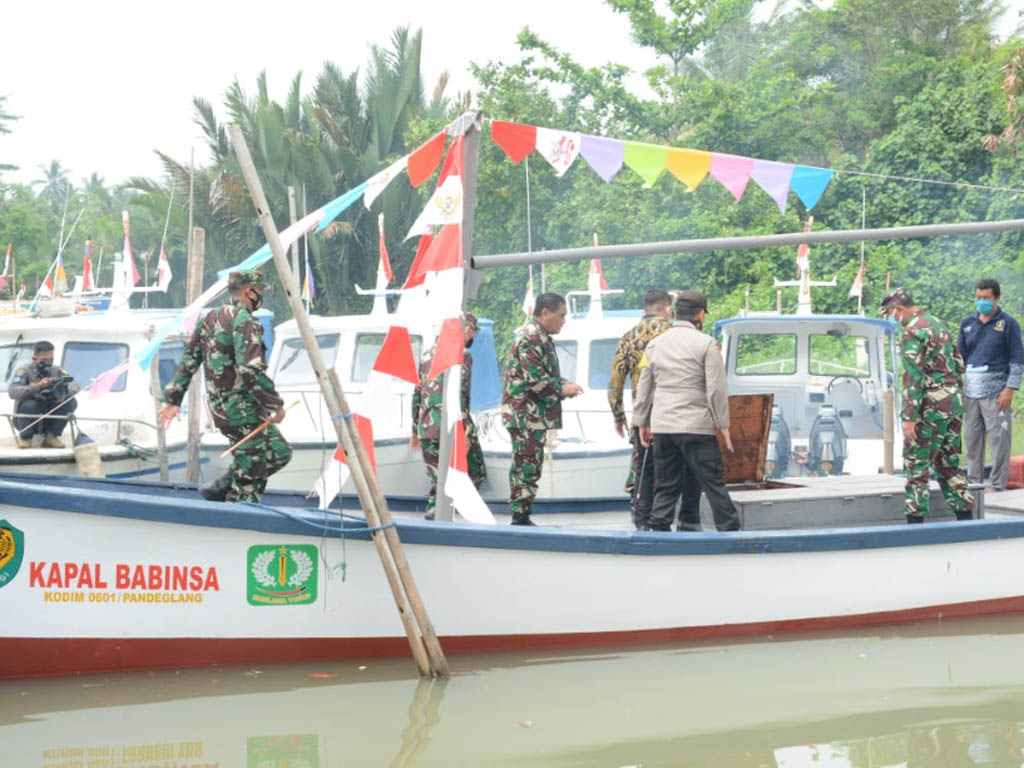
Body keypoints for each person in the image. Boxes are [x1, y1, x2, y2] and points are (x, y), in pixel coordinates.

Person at [158, 270, 291, 503]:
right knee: (252, 473)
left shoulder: (209, 318)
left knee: (279, 453)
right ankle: (237, 511)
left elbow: (189, 360)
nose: (260, 296)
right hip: (243, 410)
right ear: (249, 291)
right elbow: (250, 369)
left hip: (221, 409)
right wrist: (275, 405)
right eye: (259, 291)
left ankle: (222, 486)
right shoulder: (245, 320)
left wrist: (173, 399)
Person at [633, 290, 740, 532]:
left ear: (673, 314)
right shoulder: (706, 344)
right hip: (695, 428)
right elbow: (716, 389)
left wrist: (642, 422)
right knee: (713, 484)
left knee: (667, 486)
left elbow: (645, 386)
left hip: (663, 428)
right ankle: (731, 532)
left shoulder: (655, 344)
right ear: (700, 315)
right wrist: (724, 426)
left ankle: (658, 533)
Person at [608, 289, 701, 530]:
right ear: (668, 309)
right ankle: (683, 521)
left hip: (643, 415)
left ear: (645, 308)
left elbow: (615, 382)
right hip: (676, 413)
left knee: (644, 470)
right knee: (678, 470)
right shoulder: (675, 334)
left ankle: (642, 520)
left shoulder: (628, 337)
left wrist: (618, 415)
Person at [880, 287, 973, 522]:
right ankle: (967, 519)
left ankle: (915, 525)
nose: (892, 319)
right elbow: (957, 362)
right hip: (953, 403)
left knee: (917, 465)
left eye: (890, 313)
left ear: (898, 309)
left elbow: (913, 376)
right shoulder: (938, 322)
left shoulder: (912, 331)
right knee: (948, 462)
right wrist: (955, 395)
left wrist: (909, 417)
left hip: (930, 408)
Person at [501, 292, 583, 526]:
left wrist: (563, 385)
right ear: (545, 313)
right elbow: (535, 380)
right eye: (561, 316)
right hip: (525, 415)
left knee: (530, 463)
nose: (563, 321)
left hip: (532, 415)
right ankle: (520, 516)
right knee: (526, 464)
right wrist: (561, 389)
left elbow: (542, 375)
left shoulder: (541, 337)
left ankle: (522, 512)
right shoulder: (530, 337)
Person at [411, 313, 487, 519]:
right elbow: (462, 395)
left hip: (426, 426)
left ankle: (435, 508)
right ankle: (457, 506)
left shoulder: (426, 355)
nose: (471, 334)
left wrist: (414, 429)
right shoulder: (463, 356)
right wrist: (464, 433)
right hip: (452, 425)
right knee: (477, 470)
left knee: (438, 475)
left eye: (473, 330)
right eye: (469, 328)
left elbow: (417, 393)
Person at [957, 278, 1023, 493]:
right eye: (978, 298)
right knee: (972, 440)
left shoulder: (1008, 324)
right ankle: (974, 483)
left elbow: (1017, 358)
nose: (981, 302)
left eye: (986, 298)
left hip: (997, 391)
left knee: (999, 440)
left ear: (997, 298)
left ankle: (997, 485)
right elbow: (961, 358)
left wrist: (1010, 389)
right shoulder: (968, 324)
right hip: (971, 392)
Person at [9, 340, 80, 449]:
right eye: (44, 360)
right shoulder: (24, 370)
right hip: (30, 413)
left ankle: (51, 437)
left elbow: (75, 385)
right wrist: (38, 386)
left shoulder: (57, 370)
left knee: (71, 402)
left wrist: (61, 392)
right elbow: (13, 391)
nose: (48, 362)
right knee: (30, 404)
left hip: (50, 411)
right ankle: (26, 438)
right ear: (35, 358)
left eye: (51, 359)